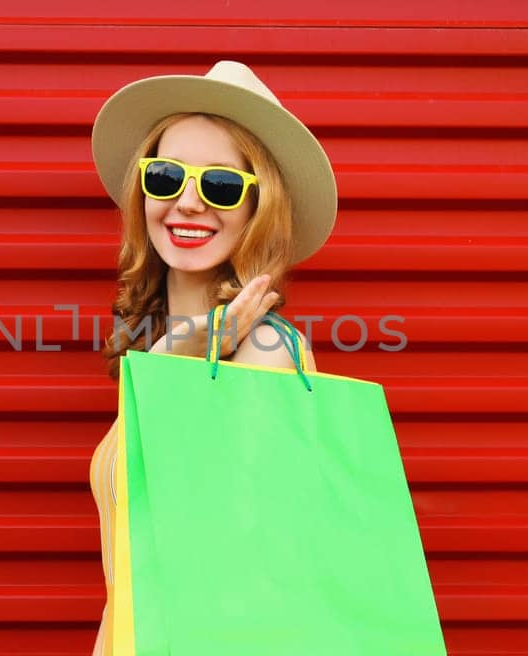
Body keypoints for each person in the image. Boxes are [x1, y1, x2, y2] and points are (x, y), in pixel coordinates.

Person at [84, 60, 338, 655]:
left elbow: (232, 576)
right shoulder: (163, 352)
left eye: (221, 185)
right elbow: (127, 581)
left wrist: (175, 355)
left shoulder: (265, 350)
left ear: (259, 207)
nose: (188, 202)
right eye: (166, 176)